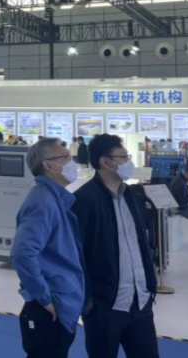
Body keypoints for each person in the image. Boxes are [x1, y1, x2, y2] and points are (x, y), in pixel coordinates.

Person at [72, 134, 160, 358]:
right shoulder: (84, 199)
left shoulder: (132, 195)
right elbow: (74, 253)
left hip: (140, 301)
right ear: (105, 161)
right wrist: (87, 298)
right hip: (105, 305)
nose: (128, 162)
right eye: (123, 157)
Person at [12, 138, 86, 358]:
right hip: (50, 306)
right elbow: (23, 253)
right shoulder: (42, 202)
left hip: (62, 301)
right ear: (49, 164)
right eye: (65, 157)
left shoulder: (57, 200)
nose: (71, 162)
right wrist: (44, 298)